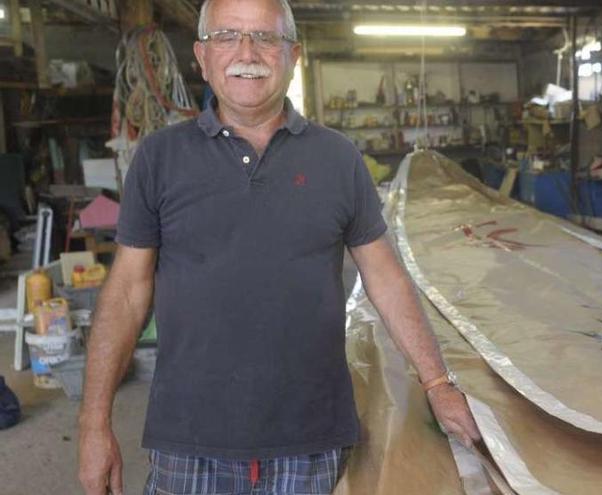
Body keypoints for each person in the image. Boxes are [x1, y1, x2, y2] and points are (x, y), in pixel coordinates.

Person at [77, 0, 481, 493]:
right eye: (228, 36)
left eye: (266, 38)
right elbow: (125, 294)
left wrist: (438, 384)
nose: (247, 52)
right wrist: (94, 424)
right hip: (189, 435)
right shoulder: (159, 158)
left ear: (293, 56)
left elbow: (385, 278)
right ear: (203, 57)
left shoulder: (338, 158)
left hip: (309, 435)